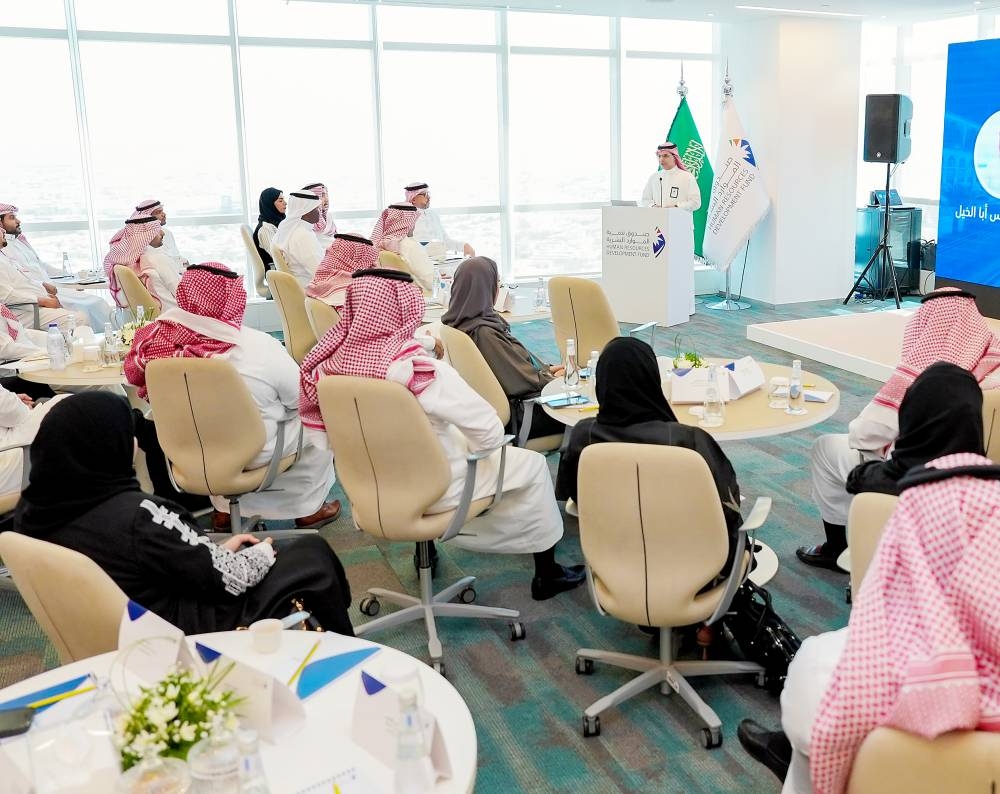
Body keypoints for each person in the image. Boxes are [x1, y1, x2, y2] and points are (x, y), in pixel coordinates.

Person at [299, 267, 585, 601]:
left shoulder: (328, 370)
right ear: (404, 309)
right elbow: (490, 433)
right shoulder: (421, 372)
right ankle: (547, 573)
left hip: (370, 488)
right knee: (532, 465)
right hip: (438, 488)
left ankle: (426, 550)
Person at [738, 451, 1000, 794]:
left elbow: (866, 433)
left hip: (865, 764)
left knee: (808, 749)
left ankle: (786, 756)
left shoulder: (834, 664)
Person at [13, 392, 354, 636]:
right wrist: (263, 552)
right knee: (311, 555)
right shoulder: (140, 516)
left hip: (133, 628)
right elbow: (232, 578)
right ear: (106, 445)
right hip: (193, 631)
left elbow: (150, 562)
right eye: (129, 434)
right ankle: (343, 651)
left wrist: (206, 550)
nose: (135, 442)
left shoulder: (34, 514)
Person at [124, 263, 340, 530]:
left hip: (190, 453)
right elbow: (302, 398)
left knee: (211, 427)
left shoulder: (156, 345)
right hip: (257, 453)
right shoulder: (259, 346)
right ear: (233, 298)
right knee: (319, 417)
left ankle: (224, 511)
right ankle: (308, 510)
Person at [798, 287, 1000, 571]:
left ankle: (836, 548)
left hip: (915, 480)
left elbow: (867, 434)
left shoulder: (925, 375)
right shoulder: (992, 365)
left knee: (826, 448)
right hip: (980, 483)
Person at [555, 336, 743, 572]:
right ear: (652, 379)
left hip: (614, 562)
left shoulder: (584, 436)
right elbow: (727, 505)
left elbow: (576, 497)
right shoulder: (688, 440)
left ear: (602, 381)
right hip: (692, 563)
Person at [441, 256, 566, 440]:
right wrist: (555, 379)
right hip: (528, 412)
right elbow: (521, 381)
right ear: (486, 288)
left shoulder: (459, 323)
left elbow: (511, 367)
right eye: (497, 283)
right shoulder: (484, 332)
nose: (498, 289)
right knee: (594, 410)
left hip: (512, 406)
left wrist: (547, 369)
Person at [0, 203, 113, 329]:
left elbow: (40, 265)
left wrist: (73, 277)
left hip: (48, 290)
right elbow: (16, 286)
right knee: (90, 308)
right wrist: (42, 294)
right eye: (12, 218)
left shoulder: (19, 241)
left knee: (97, 303)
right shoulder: (4, 248)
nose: (18, 221)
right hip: (37, 297)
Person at [0, 226, 85, 328]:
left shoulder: (4, 257)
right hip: (26, 311)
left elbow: (22, 280)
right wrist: (43, 301)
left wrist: (42, 286)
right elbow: (6, 296)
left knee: (80, 313)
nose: (3, 230)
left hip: (37, 304)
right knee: (80, 319)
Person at [103, 216, 179, 312]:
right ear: (146, 234)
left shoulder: (126, 263)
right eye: (157, 230)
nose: (163, 233)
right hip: (174, 314)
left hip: (148, 316)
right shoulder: (156, 259)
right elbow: (180, 291)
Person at [370, 203, 433, 293]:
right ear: (409, 223)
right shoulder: (410, 246)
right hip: (420, 296)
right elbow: (430, 281)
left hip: (392, 295)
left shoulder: (378, 244)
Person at [306, 233, 378, 308]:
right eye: (367, 260)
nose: (372, 265)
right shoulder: (353, 292)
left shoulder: (317, 283)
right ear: (354, 262)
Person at [405, 182, 474, 257]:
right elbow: (412, 246)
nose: (429, 197)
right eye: (425, 195)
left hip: (441, 260)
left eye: (429, 194)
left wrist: (464, 246)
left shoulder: (433, 214)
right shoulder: (406, 216)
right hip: (421, 260)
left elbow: (446, 241)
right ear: (413, 199)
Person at [271, 190, 323, 287]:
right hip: (310, 288)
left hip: (301, 285)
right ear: (306, 212)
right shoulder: (302, 235)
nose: (319, 212)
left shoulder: (290, 230)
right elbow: (319, 272)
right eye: (316, 208)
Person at [640, 142, 701, 210]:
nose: (661, 159)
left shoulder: (687, 177)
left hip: (679, 216)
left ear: (675, 157)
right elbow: (645, 200)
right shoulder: (654, 177)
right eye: (659, 156)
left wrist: (676, 207)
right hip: (657, 216)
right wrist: (653, 206)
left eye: (665, 156)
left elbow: (696, 202)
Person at [130, 199, 189, 269]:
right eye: (158, 212)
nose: (164, 214)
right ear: (146, 216)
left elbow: (174, 256)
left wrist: (183, 263)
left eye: (162, 211)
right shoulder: (143, 238)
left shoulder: (166, 232)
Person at [252, 187, 285, 271]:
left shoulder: (276, 223)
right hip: (277, 272)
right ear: (270, 204)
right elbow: (277, 256)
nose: (285, 203)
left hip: (282, 269)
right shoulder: (265, 228)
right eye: (280, 201)